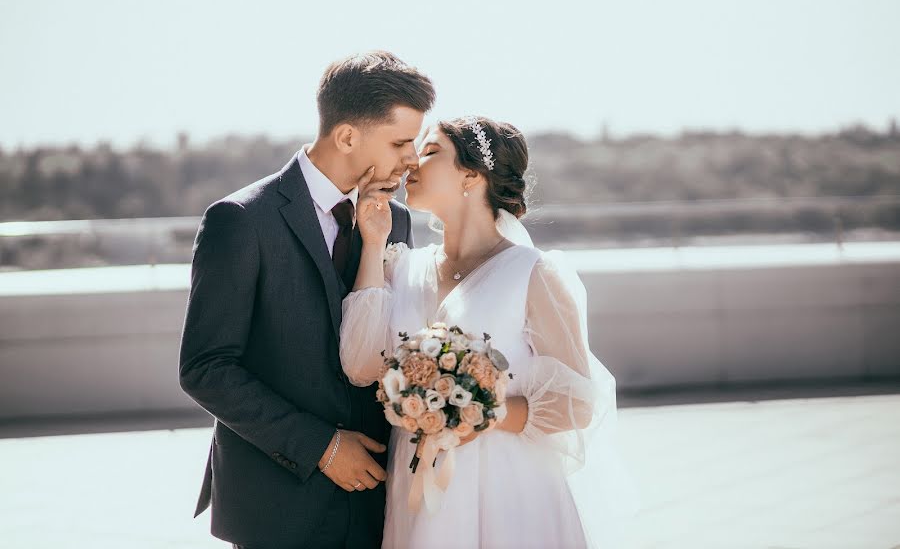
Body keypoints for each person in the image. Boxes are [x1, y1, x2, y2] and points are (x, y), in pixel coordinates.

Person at [340, 116, 636, 548]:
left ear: (471, 175)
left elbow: (576, 404)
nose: (409, 165)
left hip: (509, 489)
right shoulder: (401, 265)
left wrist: (477, 414)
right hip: (418, 490)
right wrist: (371, 242)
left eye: (430, 151)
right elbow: (361, 365)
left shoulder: (532, 273)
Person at [178, 50, 434, 548]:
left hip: (375, 503)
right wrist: (323, 447)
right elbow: (206, 367)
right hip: (279, 505)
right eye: (401, 142)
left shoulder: (396, 221)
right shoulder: (241, 220)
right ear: (346, 136)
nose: (412, 159)